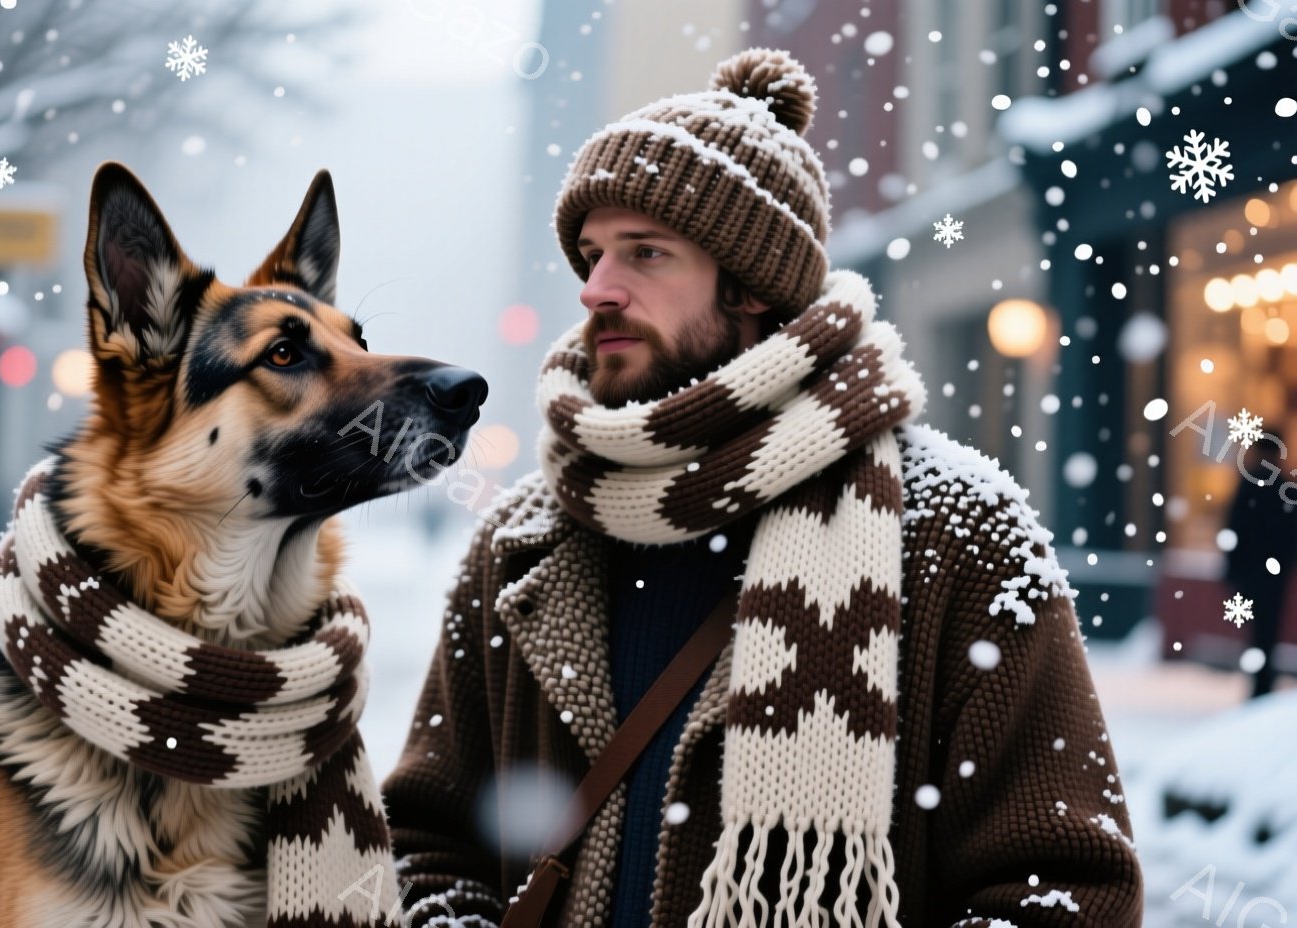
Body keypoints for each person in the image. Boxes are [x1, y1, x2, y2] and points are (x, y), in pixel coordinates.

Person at [382, 49, 1144, 927]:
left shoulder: (953, 532)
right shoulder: (527, 537)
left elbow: (1066, 886)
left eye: (645, 253)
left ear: (751, 287)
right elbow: (421, 840)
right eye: (591, 255)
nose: (596, 290)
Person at [1225, 429, 1297, 698]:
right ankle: (1262, 681)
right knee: (1267, 628)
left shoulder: (1249, 483)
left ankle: (1259, 680)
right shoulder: (1284, 486)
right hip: (1274, 572)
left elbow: (1235, 527)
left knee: (1257, 630)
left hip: (1252, 570)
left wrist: (1232, 567)